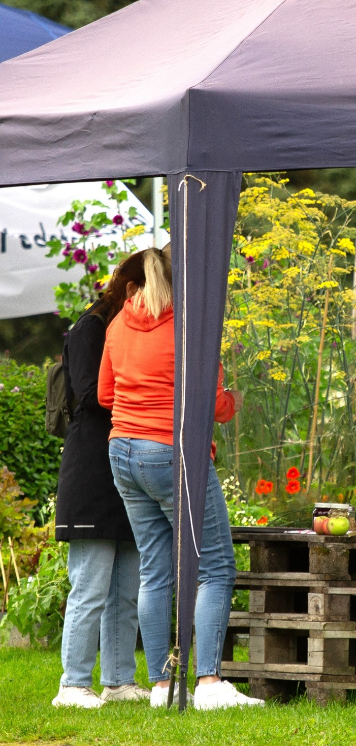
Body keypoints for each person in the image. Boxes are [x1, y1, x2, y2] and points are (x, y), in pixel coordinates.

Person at [99, 246, 262, 710]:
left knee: (154, 569)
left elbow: (105, 393)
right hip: (171, 452)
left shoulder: (117, 324)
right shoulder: (189, 330)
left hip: (122, 450)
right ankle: (208, 684)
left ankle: (159, 687)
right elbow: (213, 406)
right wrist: (230, 398)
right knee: (214, 565)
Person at [52, 254, 149, 709]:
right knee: (90, 583)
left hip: (127, 466)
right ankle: (72, 684)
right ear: (132, 290)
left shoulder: (129, 328)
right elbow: (91, 393)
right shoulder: (92, 327)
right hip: (92, 467)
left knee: (126, 584)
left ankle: (118, 679)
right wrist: (147, 396)